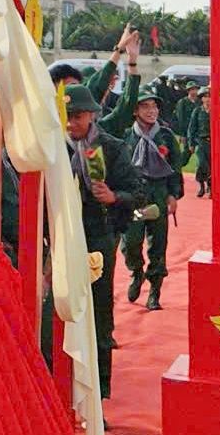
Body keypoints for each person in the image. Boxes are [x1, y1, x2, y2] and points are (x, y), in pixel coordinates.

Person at [59, 84, 141, 397]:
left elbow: (138, 192)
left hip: (99, 238)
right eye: (66, 116)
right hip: (62, 238)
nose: (71, 123)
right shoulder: (55, 148)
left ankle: (99, 386)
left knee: (98, 310)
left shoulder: (112, 147)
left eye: (77, 116)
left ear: (92, 115)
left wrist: (113, 196)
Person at [117, 87, 185, 312]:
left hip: (158, 195)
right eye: (145, 106)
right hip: (135, 198)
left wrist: (173, 194)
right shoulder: (126, 135)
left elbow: (175, 166)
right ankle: (136, 272)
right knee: (131, 241)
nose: (151, 111)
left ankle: (155, 290)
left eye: (154, 106)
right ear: (135, 110)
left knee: (158, 243)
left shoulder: (165, 136)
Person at [188, 88, 213, 199]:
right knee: (201, 164)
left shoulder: (217, 110)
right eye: (205, 97)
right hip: (200, 142)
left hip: (213, 142)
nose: (208, 99)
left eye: (209, 96)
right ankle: (201, 186)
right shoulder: (198, 111)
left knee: (212, 166)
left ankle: (210, 186)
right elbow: (191, 128)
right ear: (202, 99)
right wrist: (191, 143)